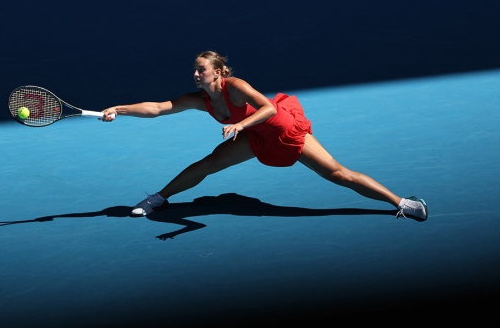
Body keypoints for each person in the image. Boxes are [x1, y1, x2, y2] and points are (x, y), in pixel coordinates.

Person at [101, 51, 428, 221]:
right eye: (195, 69)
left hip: (282, 130)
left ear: (218, 72)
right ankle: (157, 199)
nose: (196, 73)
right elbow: (158, 108)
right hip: (255, 133)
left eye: (201, 69)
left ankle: (403, 203)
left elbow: (269, 108)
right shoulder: (199, 99)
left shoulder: (236, 87)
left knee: (337, 174)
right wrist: (119, 108)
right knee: (209, 163)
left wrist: (240, 126)